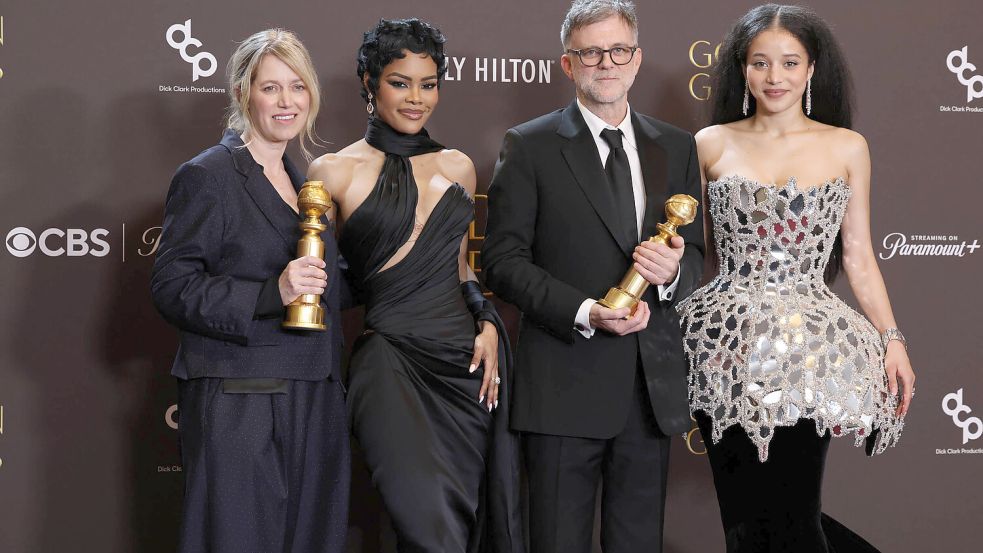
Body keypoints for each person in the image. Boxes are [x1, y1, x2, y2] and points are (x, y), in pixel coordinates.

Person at [676, 4, 915, 552]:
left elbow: (858, 255)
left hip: (810, 353)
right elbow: (694, 252)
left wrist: (892, 339)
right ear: (742, 69)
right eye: (761, 63)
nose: (775, 77)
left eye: (789, 63)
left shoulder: (847, 147)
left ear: (811, 70)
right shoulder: (710, 142)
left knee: (793, 510)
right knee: (741, 518)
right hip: (724, 348)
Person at [482, 1, 705, 551]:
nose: (606, 63)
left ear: (637, 60)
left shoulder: (675, 146)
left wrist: (674, 272)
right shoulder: (529, 145)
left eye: (618, 50)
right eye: (590, 52)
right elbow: (503, 262)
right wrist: (585, 311)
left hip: (646, 389)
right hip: (562, 384)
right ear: (568, 64)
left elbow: (697, 256)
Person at [306, 18, 522, 553]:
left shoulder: (460, 167)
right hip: (390, 364)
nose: (416, 98)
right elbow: (324, 284)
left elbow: (460, 269)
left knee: (463, 521)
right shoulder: (332, 172)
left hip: (462, 366)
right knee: (429, 526)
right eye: (400, 82)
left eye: (428, 84)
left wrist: (488, 322)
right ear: (368, 82)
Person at [151, 29, 350, 553]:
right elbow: (173, 287)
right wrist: (270, 292)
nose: (287, 101)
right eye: (271, 88)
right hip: (241, 399)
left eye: (298, 87)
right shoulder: (207, 176)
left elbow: (332, 285)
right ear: (243, 93)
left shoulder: (302, 180)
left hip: (315, 389)